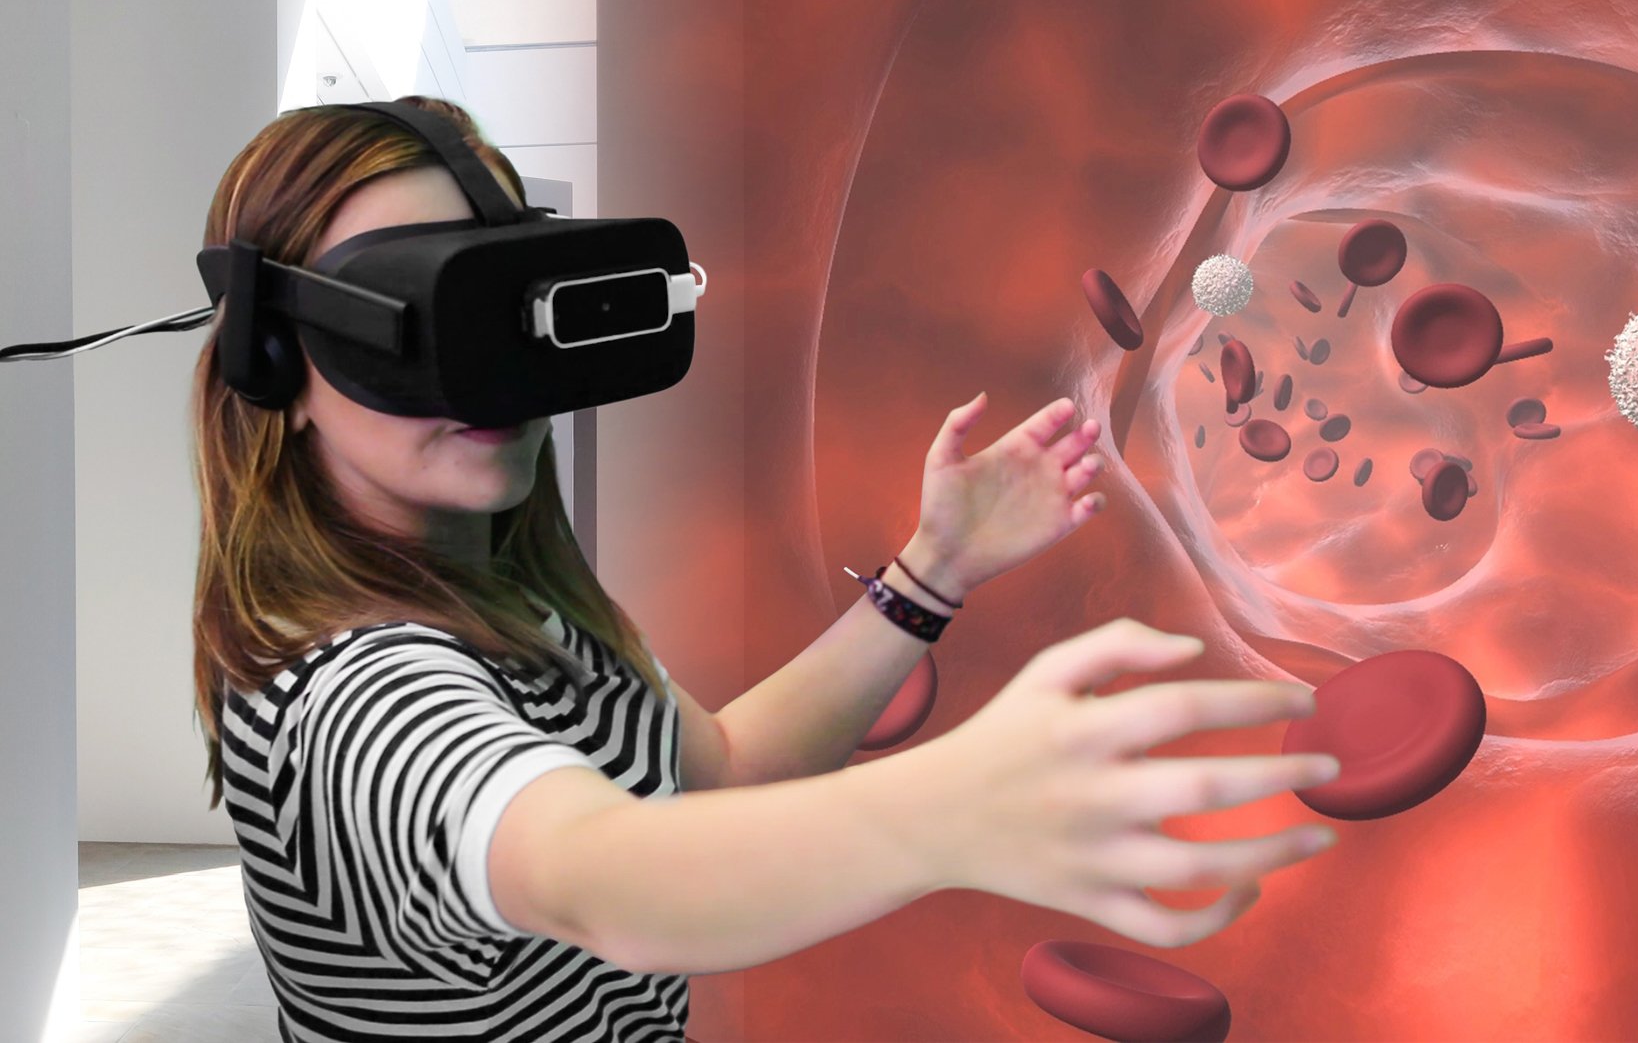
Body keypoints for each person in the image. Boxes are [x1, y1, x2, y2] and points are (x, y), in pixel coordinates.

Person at [193, 96, 1339, 1041]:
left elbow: (723, 774)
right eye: (410, 319)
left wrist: (930, 572)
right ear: (279, 361)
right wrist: (949, 810)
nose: (481, 379)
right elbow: (611, 879)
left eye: (497, 309)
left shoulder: (514, 600)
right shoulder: (356, 691)